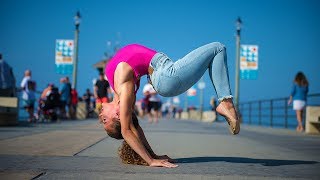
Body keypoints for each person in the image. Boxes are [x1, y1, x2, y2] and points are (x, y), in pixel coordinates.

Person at [99, 43, 240, 168]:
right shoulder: (124, 90)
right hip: (167, 75)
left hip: (163, 74)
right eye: (104, 120)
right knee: (218, 48)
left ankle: (225, 103)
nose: (100, 116)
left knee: (217, 51)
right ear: (118, 116)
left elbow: (135, 128)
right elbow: (127, 130)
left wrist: (153, 155)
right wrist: (150, 161)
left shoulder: (115, 86)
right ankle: (226, 103)